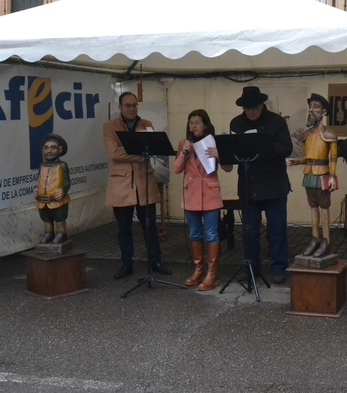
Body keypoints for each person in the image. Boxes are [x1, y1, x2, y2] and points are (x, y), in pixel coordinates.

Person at [103, 92, 172, 280]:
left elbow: (152, 149)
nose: (132, 109)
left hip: (144, 182)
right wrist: (139, 154)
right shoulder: (109, 127)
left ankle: (155, 261)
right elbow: (114, 153)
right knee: (124, 228)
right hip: (121, 184)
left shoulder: (146, 125)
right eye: (127, 105)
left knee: (149, 226)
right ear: (120, 107)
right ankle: (127, 263)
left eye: (134, 105)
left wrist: (134, 151)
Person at [229, 86, 292, 284]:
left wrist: (264, 145)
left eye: (254, 107)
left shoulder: (277, 121)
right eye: (247, 108)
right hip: (249, 185)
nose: (250, 111)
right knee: (249, 230)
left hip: (274, 184)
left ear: (262, 104)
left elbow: (287, 148)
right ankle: (251, 267)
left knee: (277, 229)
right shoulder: (236, 123)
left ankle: (279, 267)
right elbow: (232, 150)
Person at [173, 109, 232, 291]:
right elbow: (176, 169)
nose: (194, 126)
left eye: (197, 122)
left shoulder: (213, 143)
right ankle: (198, 270)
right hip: (190, 194)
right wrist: (184, 152)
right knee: (194, 233)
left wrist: (219, 154)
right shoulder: (184, 143)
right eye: (191, 123)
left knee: (212, 234)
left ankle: (212, 274)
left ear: (205, 125)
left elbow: (229, 168)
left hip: (209, 193)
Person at [287, 94, 338, 258]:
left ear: (323, 112)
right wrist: (297, 162)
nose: (311, 110)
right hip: (309, 174)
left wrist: (332, 176)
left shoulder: (329, 134)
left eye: (316, 107)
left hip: (323, 173)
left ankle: (326, 240)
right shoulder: (306, 135)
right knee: (313, 207)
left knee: (324, 208)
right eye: (310, 107)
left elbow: (333, 158)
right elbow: (307, 157)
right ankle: (314, 238)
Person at [33, 134, 71, 244]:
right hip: (43, 200)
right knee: (46, 218)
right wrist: (37, 190)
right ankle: (48, 233)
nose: (49, 151)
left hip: (57, 200)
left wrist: (63, 190)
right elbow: (40, 179)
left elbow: (67, 182)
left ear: (60, 149)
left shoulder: (62, 165)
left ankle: (61, 233)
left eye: (53, 148)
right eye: (46, 148)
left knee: (59, 218)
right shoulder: (42, 165)